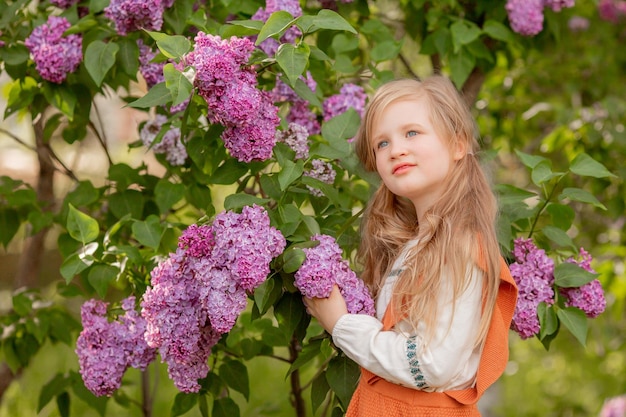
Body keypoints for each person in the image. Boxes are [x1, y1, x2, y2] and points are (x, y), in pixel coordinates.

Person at [304, 76, 518, 416]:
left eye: (412, 133)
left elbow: (433, 365)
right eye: (382, 144)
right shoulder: (417, 243)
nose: (396, 149)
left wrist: (342, 325)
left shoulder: (461, 247)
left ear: (458, 145)